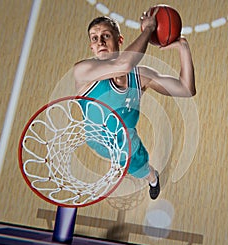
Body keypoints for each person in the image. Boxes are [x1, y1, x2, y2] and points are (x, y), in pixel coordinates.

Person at [73, 9, 195, 200]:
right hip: (94, 140)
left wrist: (183, 47)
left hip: (127, 144)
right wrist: (148, 30)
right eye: (95, 38)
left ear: (120, 40)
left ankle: (153, 178)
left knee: (142, 170)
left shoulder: (141, 77)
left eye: (106, 36)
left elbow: (186, 89)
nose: (101, 42)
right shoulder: (83, 71)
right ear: (91, 47)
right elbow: (123, 66)